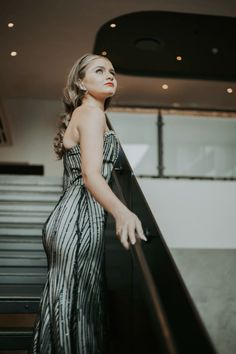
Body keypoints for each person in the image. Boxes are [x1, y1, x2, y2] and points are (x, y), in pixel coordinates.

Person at [29, 53, 147, 354]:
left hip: (73, 216)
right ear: (80, 82)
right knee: (76, 308)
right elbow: (91, 175)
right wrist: (123, 211)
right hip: (79, 218)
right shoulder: (91, 113)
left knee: (70, 303)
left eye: (112, 71)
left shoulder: (89, 114)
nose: (110, 75)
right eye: (99, 70)